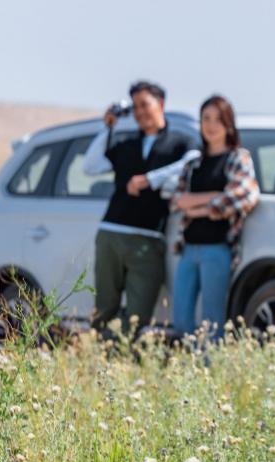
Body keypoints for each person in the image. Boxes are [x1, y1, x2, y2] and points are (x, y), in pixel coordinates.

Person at [83, 80, 196, 337]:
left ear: (161, 104)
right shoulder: (125, 143)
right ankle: (99, 357)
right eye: (135, 107)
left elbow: (191, 163)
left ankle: (115, 351)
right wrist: (108, 128)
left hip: (148, 238)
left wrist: (149, 179)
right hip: (111, 232)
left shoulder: (180, 142)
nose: (140, 112)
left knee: (138, 314)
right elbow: (90, 166)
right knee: (104, 307)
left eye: (145, 104)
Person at [167, 95, 259, 341]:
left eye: (218, 119)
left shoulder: (238, 158)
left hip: (217, 249)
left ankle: (210, 368)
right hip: (188, 248)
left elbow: (243, 195)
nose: (211, 125)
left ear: (229, 124)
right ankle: (187, 367)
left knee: (212, 320)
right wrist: (213, 199)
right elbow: (178, 200)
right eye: (206, 119)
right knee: (182, 318)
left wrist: (199, 206)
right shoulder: (194, 163)